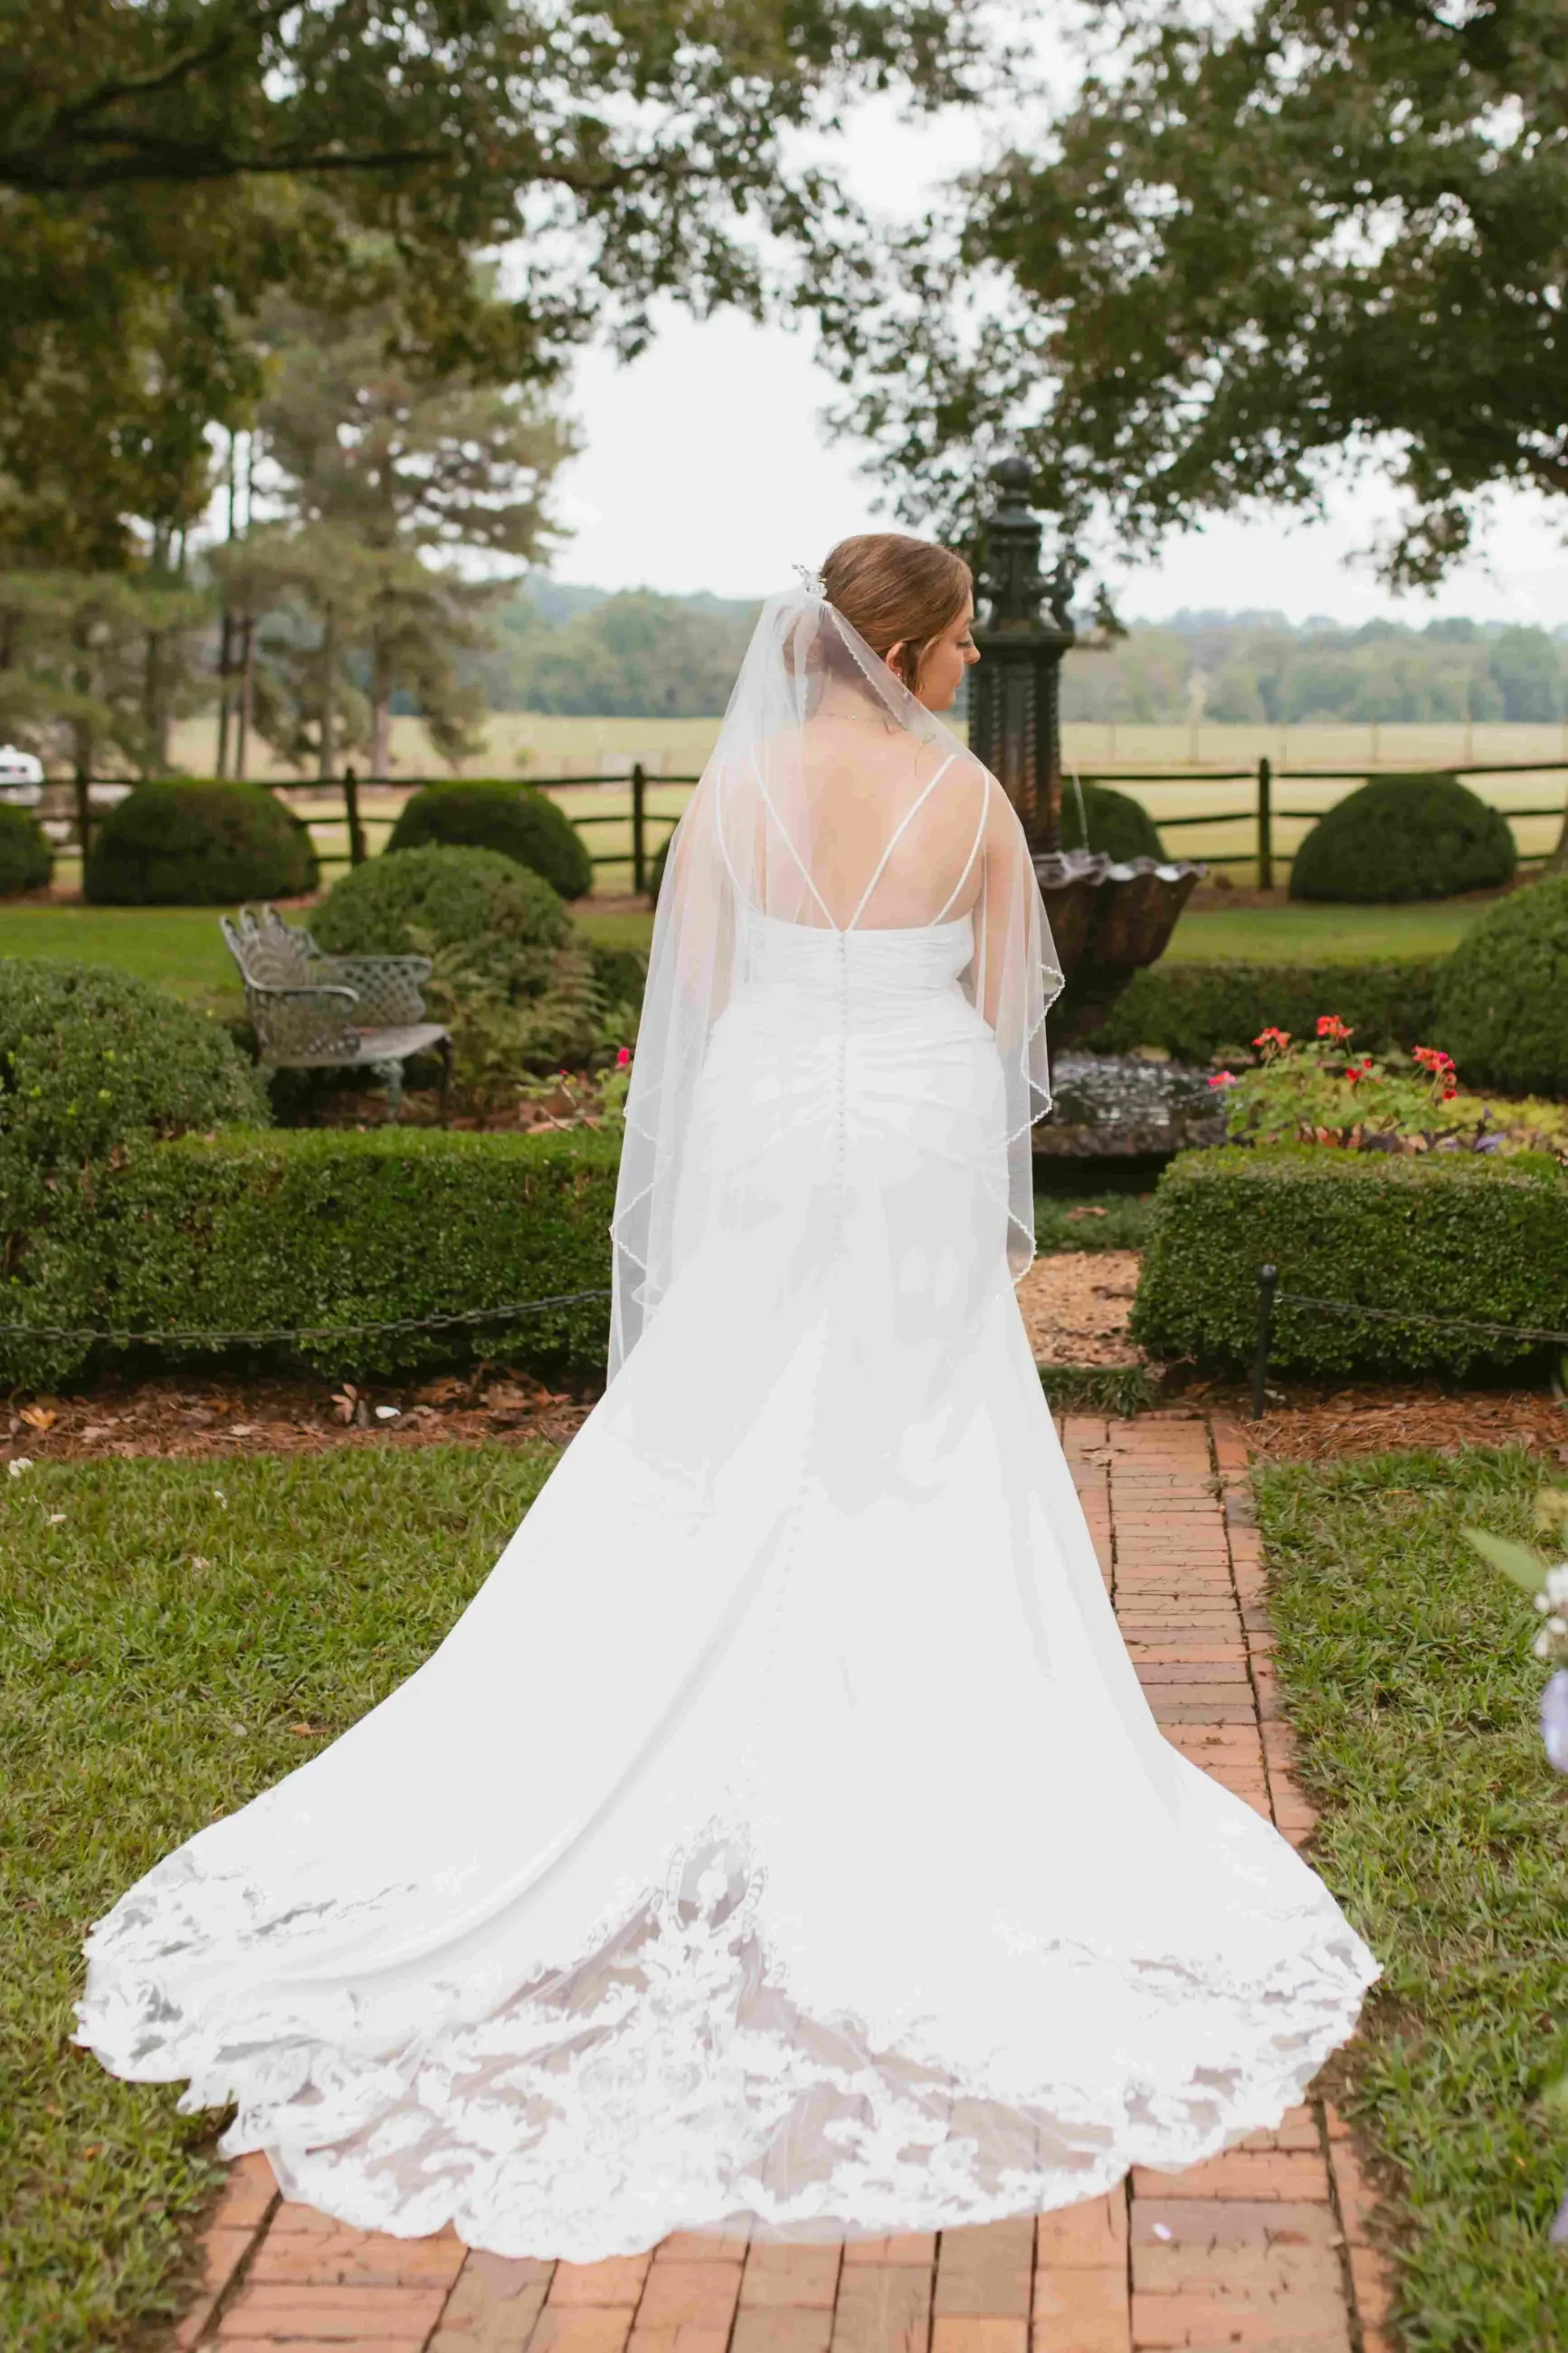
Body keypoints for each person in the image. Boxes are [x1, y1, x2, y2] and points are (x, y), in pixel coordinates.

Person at [76, 534, 1377, 2262]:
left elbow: (690, 1006)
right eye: (958, 639)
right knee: (916, 1426)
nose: (967, 663)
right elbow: (1008, 1015)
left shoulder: (737, 790)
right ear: (905, 650)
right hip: (912, 1121)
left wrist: (795, 1036)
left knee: (725, 1407)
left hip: (765, 1112)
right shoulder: (970, 802)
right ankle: (916, 1743)